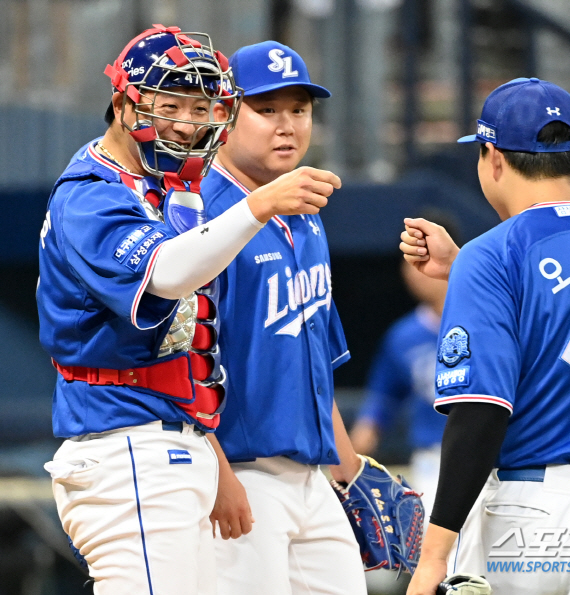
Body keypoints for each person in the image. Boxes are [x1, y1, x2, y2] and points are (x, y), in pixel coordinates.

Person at [38, 26, 339, 595]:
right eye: (169, 104)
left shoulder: (165, 189)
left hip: (175, 439)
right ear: (125, 104)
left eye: (200, 108)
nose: (184, 122)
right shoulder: (91, 190)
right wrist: (257, 207)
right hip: (124, 437)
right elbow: (167, 274)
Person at [401, 78, 570, 595]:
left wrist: (433, 557)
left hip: (529, 514)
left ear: (494, 158)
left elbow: (480, 412)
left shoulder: (492, 254)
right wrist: (465, 271)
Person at [200, 41, 367, 594]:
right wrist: (218, 476)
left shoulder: (306, 212)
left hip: (313, 478)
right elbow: (183, 364)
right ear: (225, 114)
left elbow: (316, 360)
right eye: (266, 108)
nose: (286, 125)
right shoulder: (202, 212)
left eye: (299, 109)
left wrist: (349, 471)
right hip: (242, 473)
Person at [350, 213, 461, 518]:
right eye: (407, 262)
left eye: (421, 259)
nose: (414, 272)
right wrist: (353, 456)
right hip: (433, 460)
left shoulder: (488, 320)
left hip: (492, 454)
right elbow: (381, 402)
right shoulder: (403, 336)